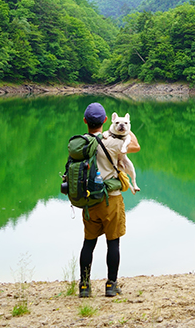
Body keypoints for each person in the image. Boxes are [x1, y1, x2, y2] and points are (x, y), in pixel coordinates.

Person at [79, 102, 140, 298]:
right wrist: (128, 128)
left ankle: (84, 286)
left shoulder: (82, 143)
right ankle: (111, 285)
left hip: (89, 201)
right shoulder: (113, 143)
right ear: (106, 121)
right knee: (113, 243)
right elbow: (136, 146)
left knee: (88, 243)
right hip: (111, 199)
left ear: (85, 121)